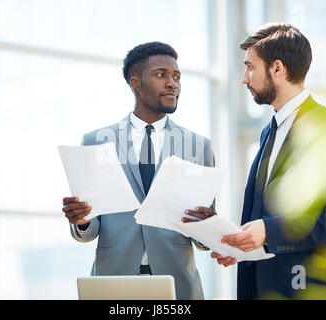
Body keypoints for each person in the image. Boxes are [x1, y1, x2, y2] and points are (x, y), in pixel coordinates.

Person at [185, 24, 326, 299]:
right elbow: (269, 217)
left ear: (277, 69)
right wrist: (242, 244)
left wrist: (268, 231)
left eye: (250, 67)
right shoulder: (271, 129)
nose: (245, 79)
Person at [62, 42, 215, 300]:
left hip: (178, 286)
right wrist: (82, 219)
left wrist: (207, 226)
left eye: (176, 76)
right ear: (135, 83)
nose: (172, 83)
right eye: (161, 75)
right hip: (112, 284)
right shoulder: (97, 142)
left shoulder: (199, 147)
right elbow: (89, 229)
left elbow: (204, 238)